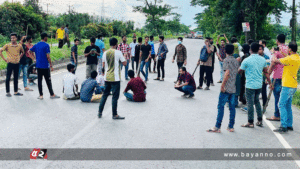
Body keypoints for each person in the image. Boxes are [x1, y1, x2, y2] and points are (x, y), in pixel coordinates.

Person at [207, 44, 240, 133]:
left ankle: (217, 126)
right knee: (232, 108)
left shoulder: (226, 60)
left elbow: (227, 73)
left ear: (225, 51)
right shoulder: (236, 61)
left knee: (221, 107)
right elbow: (238, 71)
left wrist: (222, 85)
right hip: (233, 87)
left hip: (226, 88)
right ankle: (231, 126)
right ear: (233, 51)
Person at [239, 42, 272, 128]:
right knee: (257, 101)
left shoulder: (246, 60)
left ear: (250, 50)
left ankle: (250, 122)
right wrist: (270, 83)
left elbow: (240, 70)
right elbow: (266, 73)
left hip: (250, 85)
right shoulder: (263, 60)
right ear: (258, 50)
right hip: (259, 85)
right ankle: (260, 120)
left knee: (250, 103)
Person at [272, 42, 300, 133]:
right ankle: (289, 124)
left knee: (281, 104)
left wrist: (274, 53)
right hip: (293, 85)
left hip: (287, 85)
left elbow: (276, 60)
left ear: (290, 49)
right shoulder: (297, 57)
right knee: (288, 105)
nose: (287, 50)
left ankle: (283, 125)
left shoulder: (289, 59)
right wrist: (282, 53)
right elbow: (286, 58)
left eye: (288, 48)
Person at [98, 37, 127, 120]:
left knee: (105, 95)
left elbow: (103, 66)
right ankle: (114, 114)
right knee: (115, 97)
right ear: (116, 44)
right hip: (115, 78)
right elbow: (124, 63)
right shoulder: (118, 52)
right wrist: (124, 56)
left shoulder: (105, 53)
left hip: (107, 77)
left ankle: (100, 112)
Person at [30, 32, 60, 100]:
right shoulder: (46, 45)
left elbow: (29, 51)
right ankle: (52, 94)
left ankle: (41, 95)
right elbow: (48, 56)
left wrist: (34, 59)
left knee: (39, 81)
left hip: (38, 65)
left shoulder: (36, 44)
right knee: (48, 80)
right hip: (45, 66)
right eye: (47, 37)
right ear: (45, 37)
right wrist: (51, 65)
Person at [267, 34, 289, 121]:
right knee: (284, 97)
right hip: (286, 76)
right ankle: (285, 115)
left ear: (277, 40)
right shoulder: (288, 49)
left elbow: (272, 63)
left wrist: (268, 75)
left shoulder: (277, 50)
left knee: (277, 96)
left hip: (277, 76)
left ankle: (277, 115)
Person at [240, 44, 250, 110]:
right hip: (249, 74)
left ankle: (243, 100)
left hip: (244, 74)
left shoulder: (244, 56)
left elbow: (242, 67)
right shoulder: (250, 55)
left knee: (243, 87)